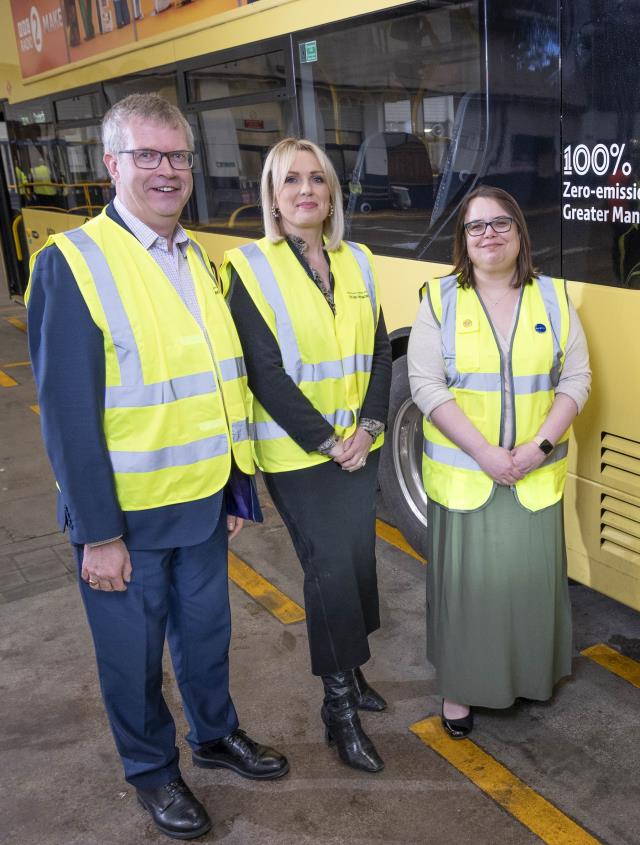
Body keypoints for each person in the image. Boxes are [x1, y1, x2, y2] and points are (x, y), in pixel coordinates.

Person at [26, 93, 288, 842]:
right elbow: (69, 416)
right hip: (126, 519)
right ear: (112, 163)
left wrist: (238, 486)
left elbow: (216, 382)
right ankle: (152, 771)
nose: (168, 171)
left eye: (178, 155)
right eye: (148, 155)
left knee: (206, 638)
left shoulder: (194, 256)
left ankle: (214, 734)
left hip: (202, 503)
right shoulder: (73, 263)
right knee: (132, 660)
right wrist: (98, 534)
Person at [222, 138, 391, 773]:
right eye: (290, 180)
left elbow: (378, 350)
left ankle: (354, 671)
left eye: (317, 179)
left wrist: (369, 428)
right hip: (301, 456)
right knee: (328, 572)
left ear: (332, 194)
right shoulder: (248, 268)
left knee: (357, 562)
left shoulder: (360, 260)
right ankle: (339, 706)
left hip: (359, 445)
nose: (305, 191)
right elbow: (264, 372)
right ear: (271, 196)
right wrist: (328, 441)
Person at [408, 185, 591, 737]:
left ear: (519, 232)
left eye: (500, 224)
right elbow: (424, 385)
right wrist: (486, 454)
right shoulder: (439, 300)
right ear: (463, 241)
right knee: (470, 593)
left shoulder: (554, 298)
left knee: (527, 587)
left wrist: (536, 449)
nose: (488, 235)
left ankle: (530, 676)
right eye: (475, 227)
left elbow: (577, 379)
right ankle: (462, 691)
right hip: (468, 479)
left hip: (533, 476)